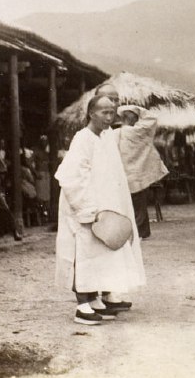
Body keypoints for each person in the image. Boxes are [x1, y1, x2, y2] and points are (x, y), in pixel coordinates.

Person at [54, 95, 145, 324]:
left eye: (112, 112)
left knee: (97, 254)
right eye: (104, 112)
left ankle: (95, 299)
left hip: (101, 205)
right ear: (91, 113)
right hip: (81, 205)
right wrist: (86, 208)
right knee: (81, 254)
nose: (109, 117)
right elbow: (72, 177)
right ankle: (81, 305)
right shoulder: (82, 139)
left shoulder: (104, 137)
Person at [113, 105, 169, 239]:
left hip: (123, 173)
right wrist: (137, 109)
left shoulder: (116, 134)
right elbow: (151, 118)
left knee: (126, 205)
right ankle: (141, 232)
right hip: (139, 173)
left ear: (122, 118)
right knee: (140, 204)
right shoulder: (141, 131)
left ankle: (131, 232)